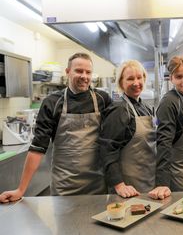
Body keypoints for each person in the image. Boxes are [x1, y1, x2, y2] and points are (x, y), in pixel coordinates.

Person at [0, 53, 112, 202]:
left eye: (88, 72)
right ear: (67, 72)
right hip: (65, 186)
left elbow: (114, 142)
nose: (84, 76)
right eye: (79, 71)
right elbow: (37, 148)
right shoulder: (52, 103)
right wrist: (21, 189)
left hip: (98, 184)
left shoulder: (102, 100)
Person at [148, 55, 183, 200]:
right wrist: (162, 183)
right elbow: (163, 143)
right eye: (179, 76)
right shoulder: (169, 102)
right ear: (172, 79)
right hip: (181, 175)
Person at [98, 60, 156, 198]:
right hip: (129, 188)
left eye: (139, 77)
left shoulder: (146, 107)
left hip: (149, 181)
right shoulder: (118, 110)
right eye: (130, 79)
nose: (136, 83)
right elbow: (107, 149)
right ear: (121, 83)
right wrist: (119, 185)